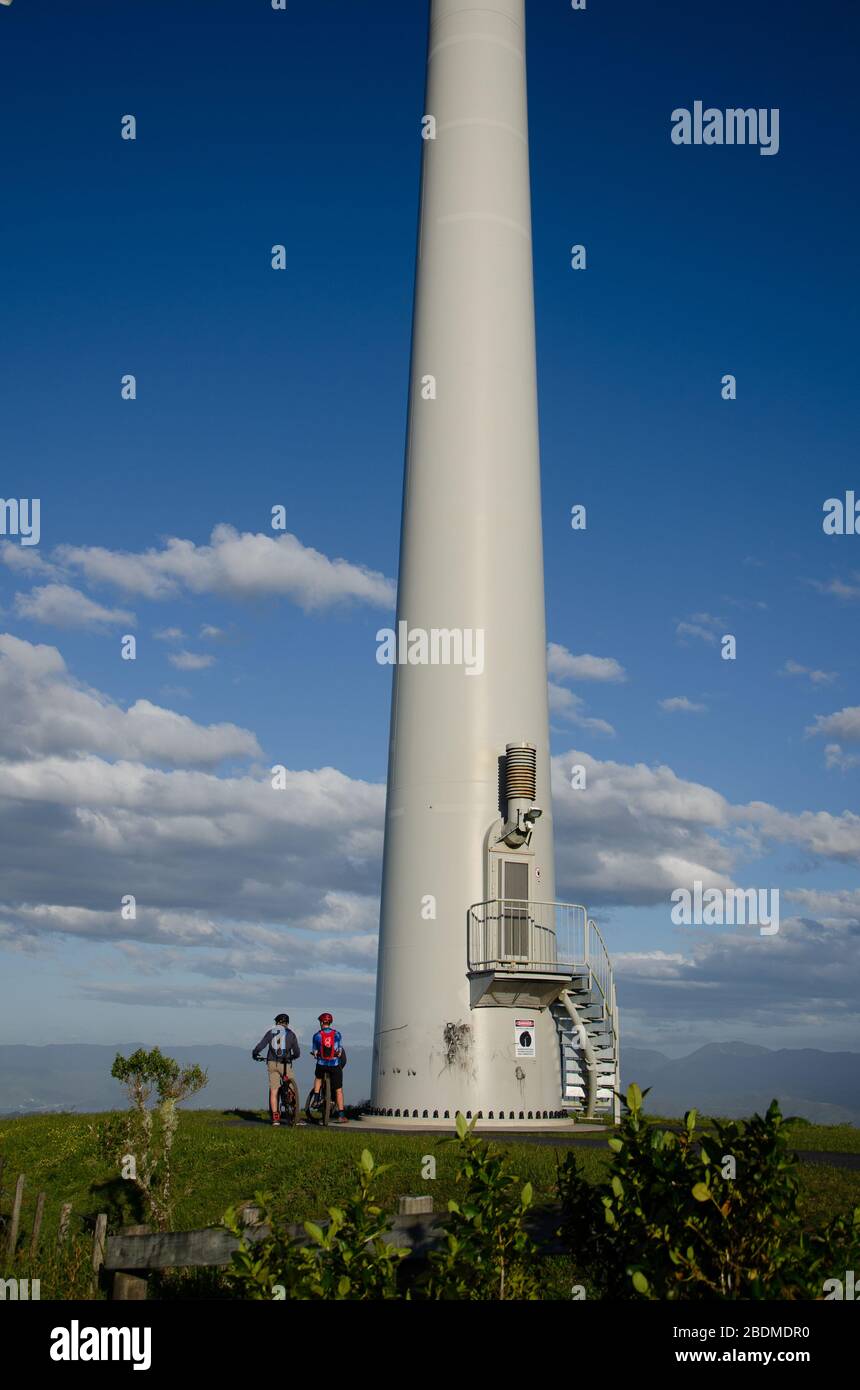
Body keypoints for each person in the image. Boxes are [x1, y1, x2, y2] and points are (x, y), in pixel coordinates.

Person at [252, 1012, 300, 1126]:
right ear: (287, 1023)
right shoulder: (291, 1034)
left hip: (272, 1063)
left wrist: (255, 1053)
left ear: (277, 1022)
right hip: (286, 1064)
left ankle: (275, 1117)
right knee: (291, 1087)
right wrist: (293, 1056)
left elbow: (260, 1046)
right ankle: (292, 1105)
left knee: (274, 1090)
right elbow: (297, 1052)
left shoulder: (271, 1032)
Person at [309, 1011, 348, 1123]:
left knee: (318, 1078)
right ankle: (341, 1115)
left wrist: (316, 1054)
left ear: (321, 1022)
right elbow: (339, 1050)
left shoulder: (316, 1036)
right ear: (330, 1022)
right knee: (338, 1090)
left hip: (322, 1064)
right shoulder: (337, 1034)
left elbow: (315, 1052)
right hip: (335, 1065)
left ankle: (316, 1099)